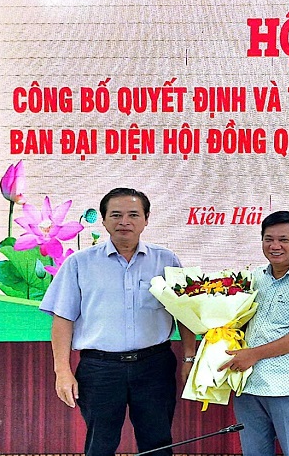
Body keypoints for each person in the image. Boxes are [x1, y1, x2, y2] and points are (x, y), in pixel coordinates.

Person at [39, 187, 196, 456]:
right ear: (103, 220)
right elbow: (63, 318)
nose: (125, 221)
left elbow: (185, 313)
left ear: (146, 219)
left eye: (133, 214)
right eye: (116, 215)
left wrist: (189, 358)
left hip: (154, 366)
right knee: (100, 444)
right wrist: (62, 371)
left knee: (158, 442)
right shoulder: (79, 263)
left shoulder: (166, 260)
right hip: (100, 369)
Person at [219, 210, 289, 456]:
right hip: (248, 383)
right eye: (268, 239)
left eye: (284, 240)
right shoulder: (253, 278)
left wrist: (254, 354)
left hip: (288, 386)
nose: (275, 246)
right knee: (253, 452)